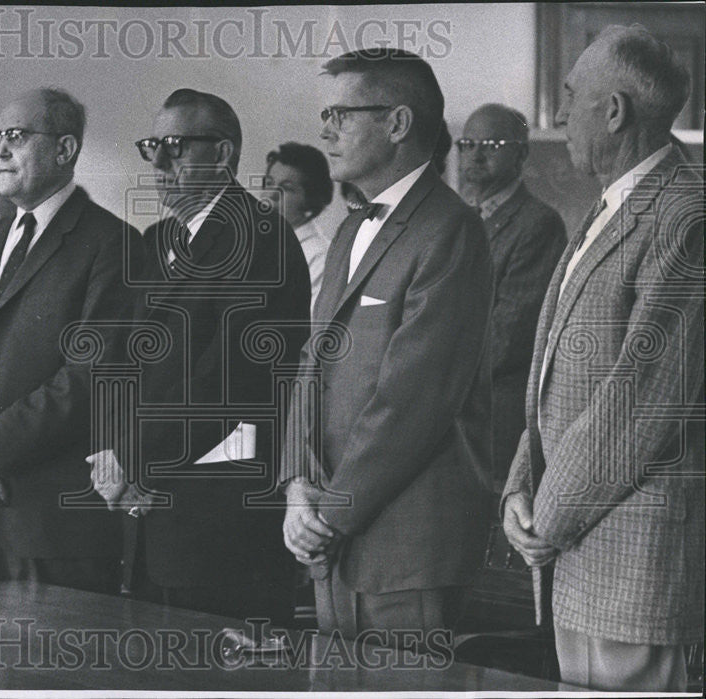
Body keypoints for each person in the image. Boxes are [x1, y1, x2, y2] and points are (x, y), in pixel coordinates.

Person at [501, 25, 704, 691]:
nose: (560, 115)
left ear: (612, 110)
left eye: (570, 96)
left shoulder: (685, 215)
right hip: (581, 554)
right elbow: (553, 376)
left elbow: (641, 397)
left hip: (631, 565)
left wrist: (545, 519)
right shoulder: (612, 205)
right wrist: (516, 492)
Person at [280, 48, 493, 649]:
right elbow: (310, 364)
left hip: (404, 545)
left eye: (342, 114)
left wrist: (327, 513)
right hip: (332, 531)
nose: (326, 129)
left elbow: (412, 400)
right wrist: (296, 485)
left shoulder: (450, 228)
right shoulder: (349, 227)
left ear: (397, 124)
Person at [92, 89, 311, 625]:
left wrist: (134, 457)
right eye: (153, 146)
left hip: (222, 526)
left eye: (176, 146)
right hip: (152, 515)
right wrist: (116, 451)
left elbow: (230, 380)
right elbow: (127, 363)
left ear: (224, 154)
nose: (160, 162)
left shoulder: (262, 238)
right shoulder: (158, 237)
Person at [0, 88, 137, 592]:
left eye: (17, 136)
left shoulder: (112, 244)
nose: (0, 149)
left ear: (65, 150)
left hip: (52, 528)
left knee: (51, 671)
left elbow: (90, 375)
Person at [458, 104, 567, 487]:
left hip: (495, 416)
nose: (475, 154)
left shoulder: (538, 224)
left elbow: (508, 338)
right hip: (452, 411)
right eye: (467, 144)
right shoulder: (456, 220)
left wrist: (430, 373)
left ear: (521, 153)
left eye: (491, 144)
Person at [262, 143, 333, 312]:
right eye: (269, 183)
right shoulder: (260, 245)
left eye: (286, 188)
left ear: (310, 201)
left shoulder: (320, 258)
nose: (271, 195)